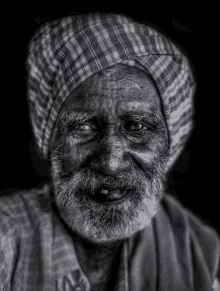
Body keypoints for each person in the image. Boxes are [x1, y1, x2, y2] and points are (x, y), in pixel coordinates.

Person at [0, 12, 219, 291]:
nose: (111, 163)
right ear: (52, 140)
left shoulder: (198, 250)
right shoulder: (7, 239)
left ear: (168, 143)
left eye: (137, 126)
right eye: (84, 127)